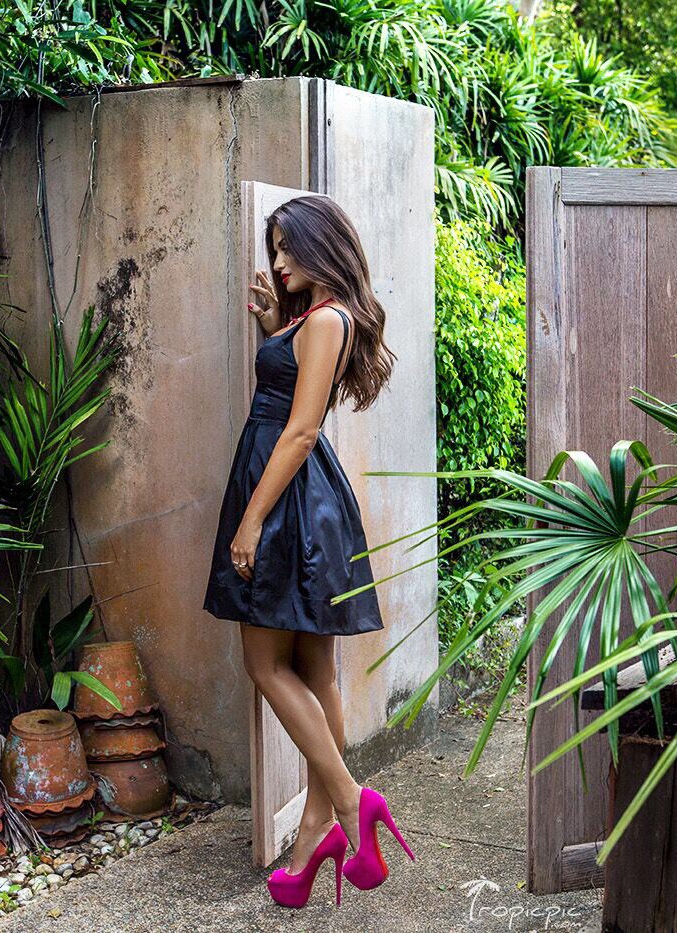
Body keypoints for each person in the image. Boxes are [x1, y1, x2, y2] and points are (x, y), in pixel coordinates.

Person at [202, 194, 415, 908]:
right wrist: (274, 328)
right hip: (296, 494)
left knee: (265, 663)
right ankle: (314, 835)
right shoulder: (314, 319)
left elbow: (298, 430)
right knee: (316, 667)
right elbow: (293, 388)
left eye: (289, 246)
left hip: (286, 497)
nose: (279, 259)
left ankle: (351, 803)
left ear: (322, 245)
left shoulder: (327, 320)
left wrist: (250, 521)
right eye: (274, 247)